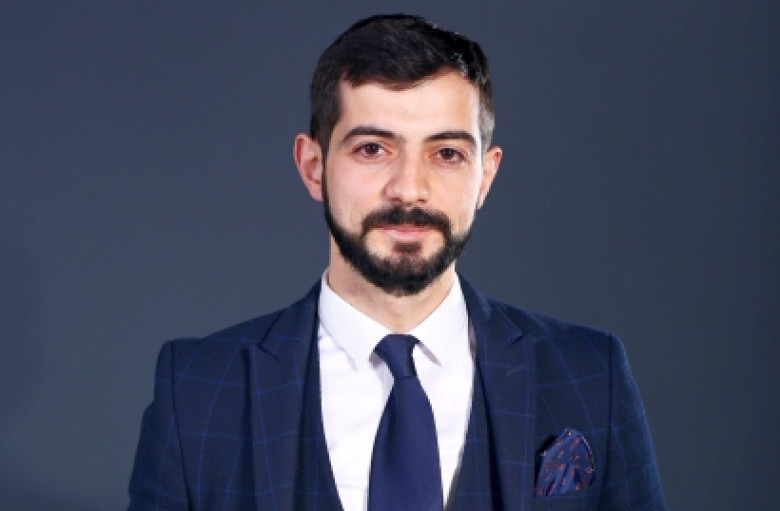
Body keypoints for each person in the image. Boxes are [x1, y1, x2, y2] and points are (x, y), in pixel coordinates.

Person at [128, 14, 665, 511]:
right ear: (313, 167)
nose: (409, 188)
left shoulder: (590, 375)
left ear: (485, 177)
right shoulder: (197, 392)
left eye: (447, 153)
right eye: (372, 149)